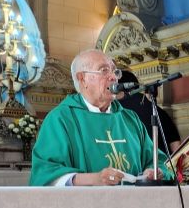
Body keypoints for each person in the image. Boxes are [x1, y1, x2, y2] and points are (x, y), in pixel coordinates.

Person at [30, 49, 171, 186]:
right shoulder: (60, 119)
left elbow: (158, 160)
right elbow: (45, 174)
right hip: (86, 206)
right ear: (82, 79)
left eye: (115, 71)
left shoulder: (130, 119)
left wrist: (153, 171)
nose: (114, 77)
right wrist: (94, 179)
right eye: (104, 70)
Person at [116, 70, 182, 155]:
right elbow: (176, 145)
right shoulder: (158, 110)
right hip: (163, 165)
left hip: (136, 165)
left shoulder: (116, 110)